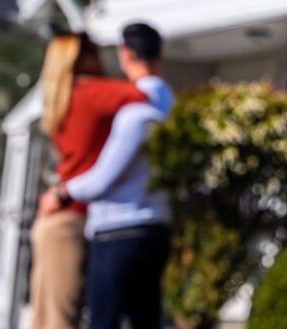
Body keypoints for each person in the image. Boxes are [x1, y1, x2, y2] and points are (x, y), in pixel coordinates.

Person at [40, 22, 173, 329]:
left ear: (125, 53)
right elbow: (144, 98)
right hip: (85, 218)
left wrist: (62, 191)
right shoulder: (106, 96)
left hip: (88, 219)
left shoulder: (63, 99)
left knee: (64, 317)